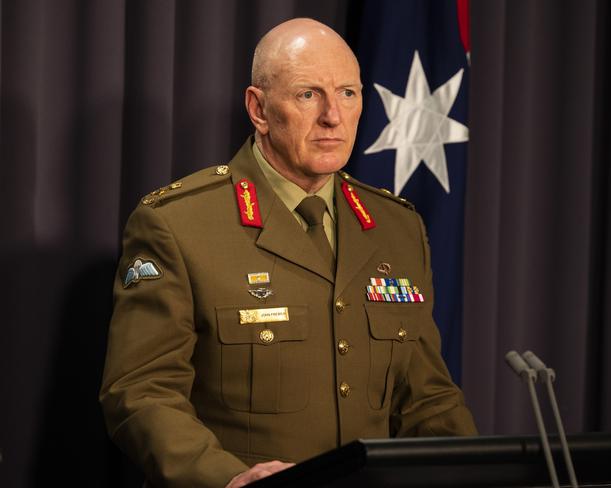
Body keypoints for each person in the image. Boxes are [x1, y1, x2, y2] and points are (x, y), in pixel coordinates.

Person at [100, 18, 477, 488]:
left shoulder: (398, 227)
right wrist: (230, 478)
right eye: (307, 95)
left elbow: (428, 400)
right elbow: (141, 392)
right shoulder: (179, 225)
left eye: (347, 93)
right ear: (258, 109)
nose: (332, 117)